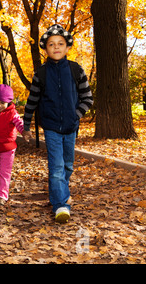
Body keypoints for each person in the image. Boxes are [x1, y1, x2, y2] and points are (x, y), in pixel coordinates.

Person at [22, 24, 93, 223]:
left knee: (68, 166)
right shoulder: (41, 73)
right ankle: (61, 204)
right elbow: (32, 101)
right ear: (45, 48)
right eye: (51, 44)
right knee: (56, 167)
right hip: (51, 127)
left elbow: (87, 98)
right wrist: (26, 126)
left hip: (71, 128)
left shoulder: (75, 69)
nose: (56, 47)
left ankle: (59, 193)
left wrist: (76, 115)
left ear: (67, 47)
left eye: (60, 44)